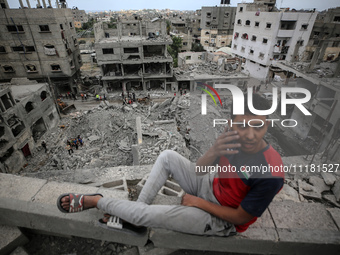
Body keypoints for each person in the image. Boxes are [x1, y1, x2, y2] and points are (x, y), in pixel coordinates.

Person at [57, 93, 284, 236]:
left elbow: (240, 218)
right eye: (242, 126)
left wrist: (198, 203)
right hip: (210, 186)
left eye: (258, 127)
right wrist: (214, 150)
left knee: (147, 215)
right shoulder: (231, 138)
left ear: (267, 124)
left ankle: (97, 201)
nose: (250, 136)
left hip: (222, 219)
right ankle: (138, 214)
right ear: (231, 123)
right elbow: (199, 170)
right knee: (167, 156)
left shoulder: (270, 171)